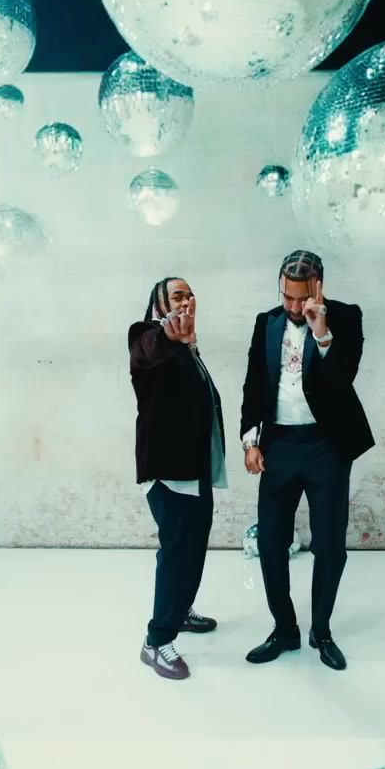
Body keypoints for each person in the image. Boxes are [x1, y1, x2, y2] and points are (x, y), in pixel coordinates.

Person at [238, 250, 374, 672]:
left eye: (302, 298)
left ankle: (322, 630)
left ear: (319, 287)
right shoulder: (266, 322)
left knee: (329, 544)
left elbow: (342, 379)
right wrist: (250, 441)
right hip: (278, 445)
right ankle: (284, 629)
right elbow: (253, 383)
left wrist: (322, 333)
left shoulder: (346, 317)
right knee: (270, 541)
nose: (294, 307)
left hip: (325, 447)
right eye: (287, 297)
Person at [128, 276, 228, 681]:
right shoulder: (145, 334)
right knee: (177, 552)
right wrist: (169, 336)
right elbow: (148, 351)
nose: (185, 300)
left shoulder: (188, 346)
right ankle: (156, 642)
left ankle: (180, 608)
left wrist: (184, 341)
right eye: (176, 296)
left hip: (195, 468)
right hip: (169, 471)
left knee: (193, 547)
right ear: (159, 305)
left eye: (189, 294)